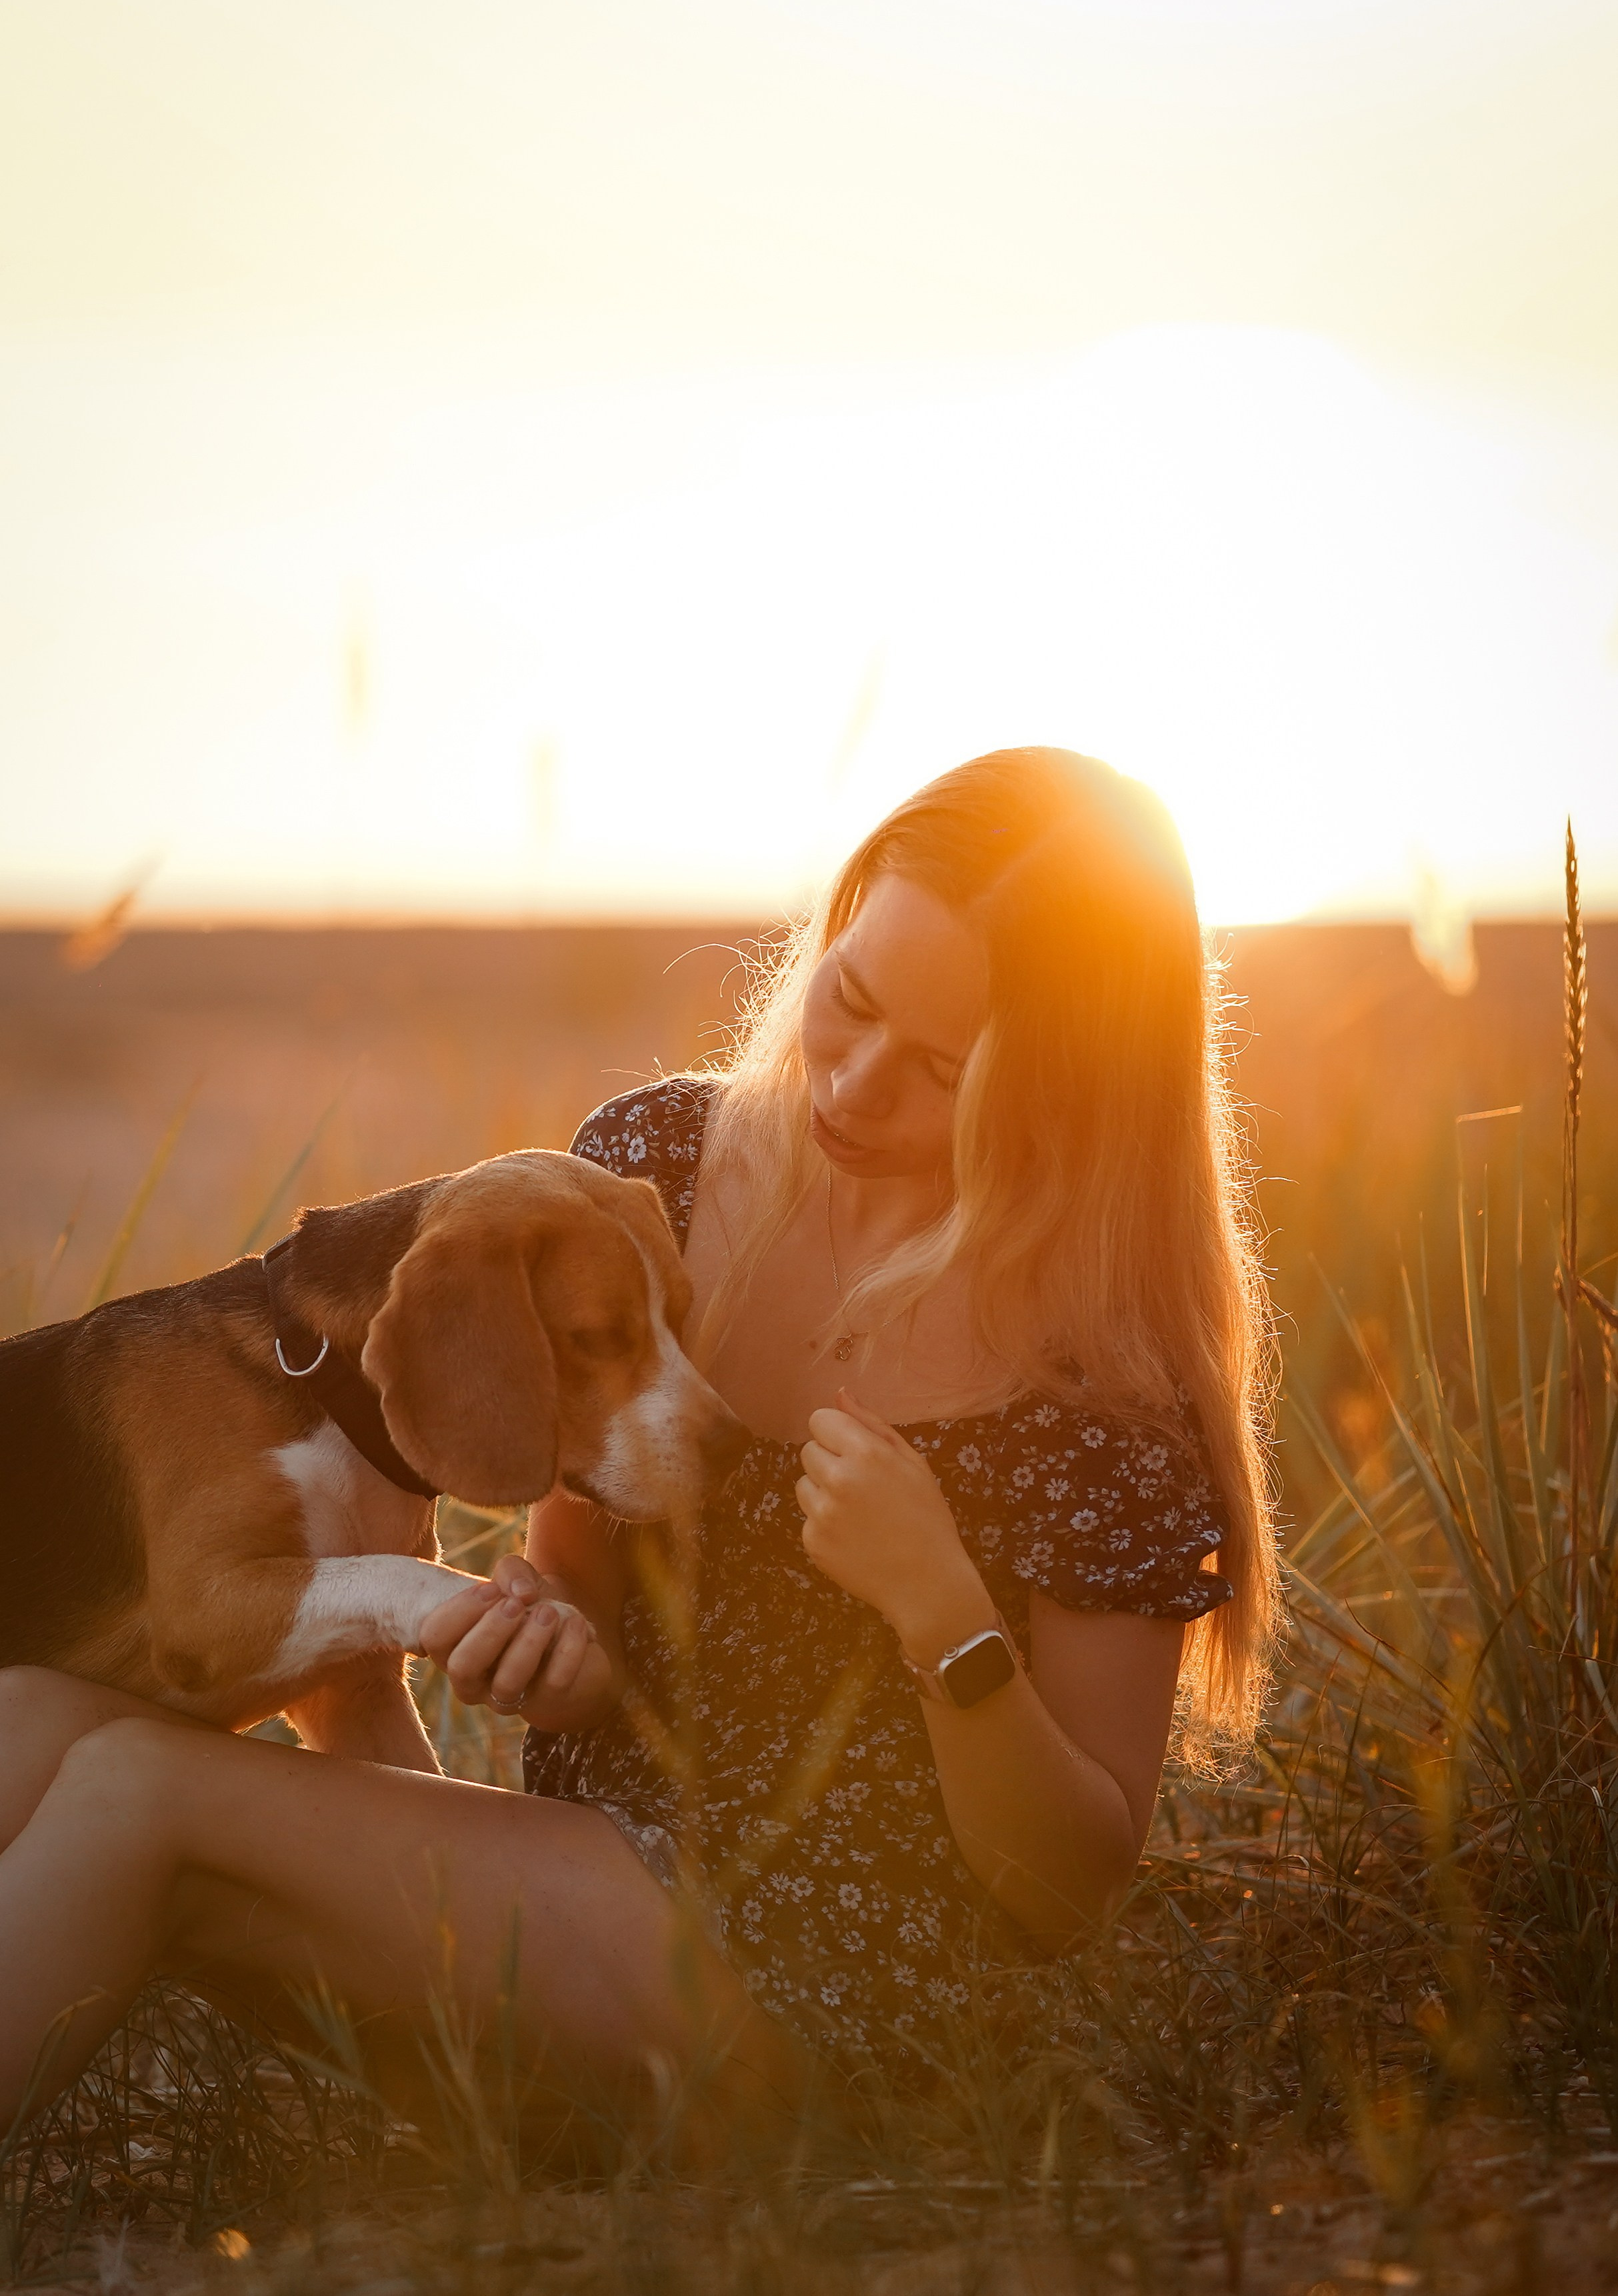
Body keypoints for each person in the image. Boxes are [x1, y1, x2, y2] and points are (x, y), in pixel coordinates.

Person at [0, 747, 1276, 2141]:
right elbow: (579, 1595)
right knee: (37, 1718)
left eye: (938, 1070)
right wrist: (557, 1651)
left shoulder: (1099, 1372)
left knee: (134, 1795)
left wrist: (941, 1609)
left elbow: (1066, 1895)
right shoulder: (656, 1161)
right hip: (571, 1874)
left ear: (1065, 1085)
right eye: (849, 999)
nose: (854, 1084)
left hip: (830, 1992)